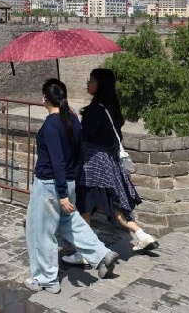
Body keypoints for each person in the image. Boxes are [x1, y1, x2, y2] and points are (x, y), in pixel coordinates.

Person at [25, 78, 119, 293]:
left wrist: (61, 194)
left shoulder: (51, 125)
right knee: (70, 222)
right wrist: (68, 185)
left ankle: (46, 279)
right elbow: (78, 153)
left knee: (41, 232)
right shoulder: (73, 119)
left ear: (45, 99)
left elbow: (56, 161)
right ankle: (101, 254)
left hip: (50, 186)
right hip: (67, 182)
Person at [64, 69, 158, 265]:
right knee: (112, 204)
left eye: (91, 80)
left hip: (92, 165)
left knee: (85, 206)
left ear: (100, 84)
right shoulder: (112, 108)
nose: (88, 83)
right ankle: (141, 235)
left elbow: (85, 135)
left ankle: (85, 252)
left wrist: (72, 119)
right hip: (109, 163)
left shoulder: (96, 109)